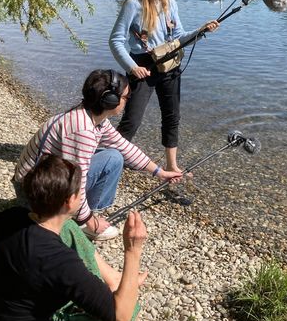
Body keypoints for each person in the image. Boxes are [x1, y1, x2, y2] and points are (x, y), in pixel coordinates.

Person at [0, 155, 148, 321]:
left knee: (68, 224)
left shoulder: (14, 216)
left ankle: (114, 279)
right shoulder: (60, 260)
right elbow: (121, 316)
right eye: (80, 190)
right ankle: (115, 286)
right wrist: (133, 250)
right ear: (70, 200)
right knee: (122, 318)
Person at [13, 69, 181, 241]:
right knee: (109, 160)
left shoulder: (91, 116)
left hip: (41, 182)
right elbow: (77, 181)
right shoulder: (83, 130)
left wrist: (160, 172)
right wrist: (89, 220)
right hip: (33, 196)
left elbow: (124, 147)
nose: (127, 101)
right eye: (126, 97)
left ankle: (82, 213)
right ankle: (83, 222)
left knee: (114, 156)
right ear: (110, 100)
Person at [109, 0, 219, 174]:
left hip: (169, 66)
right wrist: (132, 67)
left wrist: (200, 31)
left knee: (172, 116)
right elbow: (115, 40)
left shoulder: (172, 4)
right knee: (132, 120)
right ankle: (108, 159)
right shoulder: (134, 4)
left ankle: (172, 165)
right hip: (142, 67)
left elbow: (178, 37)